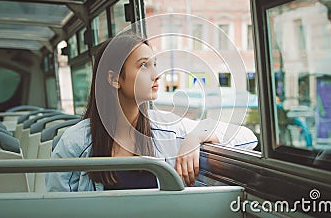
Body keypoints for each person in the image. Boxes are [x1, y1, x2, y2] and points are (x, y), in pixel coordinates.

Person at [46, 32, 258, 192]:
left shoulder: (167, 129)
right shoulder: (75, 144)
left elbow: (246, 138)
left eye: (154, 64)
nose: (157, 74)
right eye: (144, 66)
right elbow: (56, 208)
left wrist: (195, 137)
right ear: (114, 79)